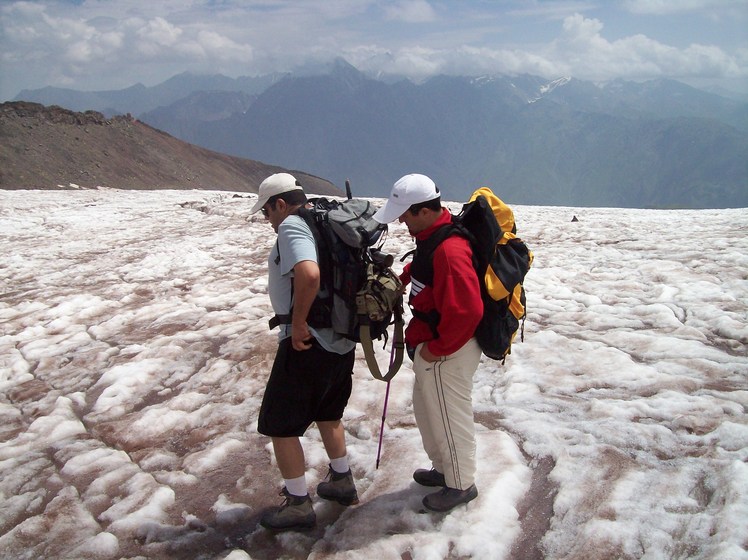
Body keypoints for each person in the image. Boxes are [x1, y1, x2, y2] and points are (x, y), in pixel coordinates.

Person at [250, 173, 359, 531]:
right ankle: (342, 481)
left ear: (279, 204)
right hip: (341, 338)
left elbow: (309, 275)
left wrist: (298, 324)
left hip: (308, 340)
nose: (268, 221)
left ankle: (298, 505)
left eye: (267, 213)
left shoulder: (293, 226)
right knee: (329, 414)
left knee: (280, 425)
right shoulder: (326, 219)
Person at [373, 173, 483, 513]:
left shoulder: (449, 250)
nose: (402, 220)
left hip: (447, 350)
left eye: (405, 214)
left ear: (423, 210)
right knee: (428, 411)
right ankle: (444, 469)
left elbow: (468, 310)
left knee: (449, 416)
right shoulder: (432, 236)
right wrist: (401, 279)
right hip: (434, 345)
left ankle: (461, 484)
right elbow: (424, 272)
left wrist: (438, 349)